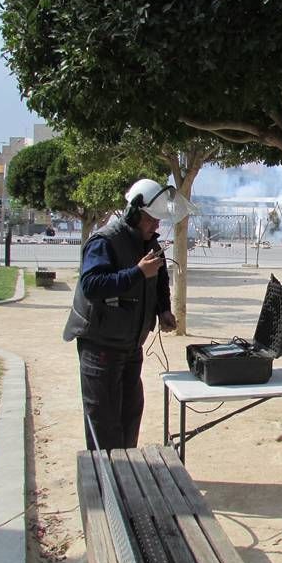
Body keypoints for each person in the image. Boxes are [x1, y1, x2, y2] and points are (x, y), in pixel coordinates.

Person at [63, 178, 177, 451]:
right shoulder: (104, 241)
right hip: (101, 346)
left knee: (130, 414)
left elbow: (159, 278)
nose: (156, 225)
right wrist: (136, 272)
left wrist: (163, 310)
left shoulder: (148, 241)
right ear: (135, 213)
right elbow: (91, 285)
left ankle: (126, 474)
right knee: (104, 421)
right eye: (152, 220)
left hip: (130, 345)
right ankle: (105, 486)